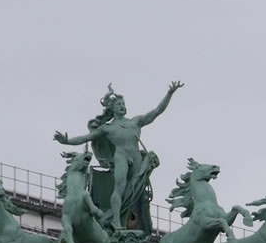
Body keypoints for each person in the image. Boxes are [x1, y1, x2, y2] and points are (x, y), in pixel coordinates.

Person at [54, 81, 182, 230]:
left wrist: (169, 93)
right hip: (121, 157)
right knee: (120, 188)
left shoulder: (135, 122)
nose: (122, 106)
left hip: (136, 158)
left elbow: (157, 111)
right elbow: (85, 138)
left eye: (123, 103)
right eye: (118, 104)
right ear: (112, 109)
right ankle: (116, 221)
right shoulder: (108, 128)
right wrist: (67, 141)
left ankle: (124, 217)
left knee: (134, 191)